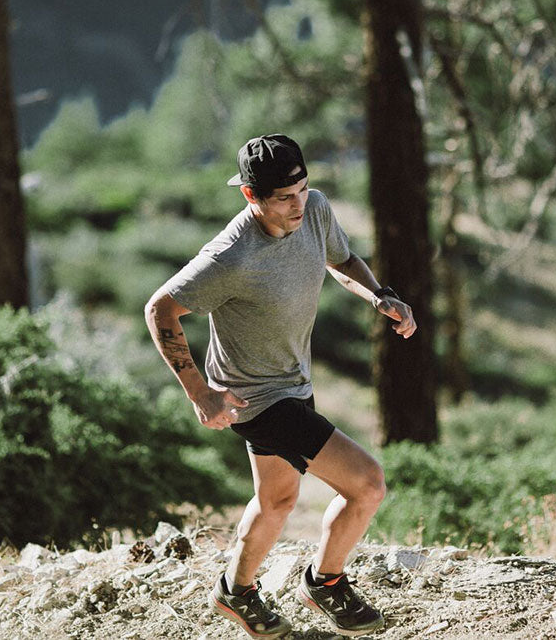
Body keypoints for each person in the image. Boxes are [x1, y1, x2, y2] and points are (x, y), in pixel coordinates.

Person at [144, 134, 417, 638]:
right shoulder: (230, 256)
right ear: (251, 196)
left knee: (276, 501)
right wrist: (199, 393)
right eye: (284, 198)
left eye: (303, 189)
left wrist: (379, 296)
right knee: (367, 485)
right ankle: (327, 582)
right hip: (255, 399)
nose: (298, 204)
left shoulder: (314, 209)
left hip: (293, 381)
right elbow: (160, 309)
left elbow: (342, 260)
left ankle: (236, 591)